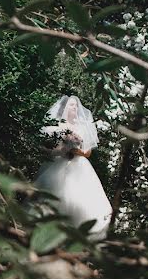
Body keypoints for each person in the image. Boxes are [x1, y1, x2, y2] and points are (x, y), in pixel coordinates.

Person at [35, 96, 112, 240]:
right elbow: (44, 148)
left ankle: (80, 234)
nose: (75, 108)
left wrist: (74, 149)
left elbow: (88, 152)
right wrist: (62, 149)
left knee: (81, 199)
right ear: (64, 108)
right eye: (71, 105)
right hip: (57, 165)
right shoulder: (55, 127)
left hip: (80, 167)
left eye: (76, 106)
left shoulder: (82, 128)